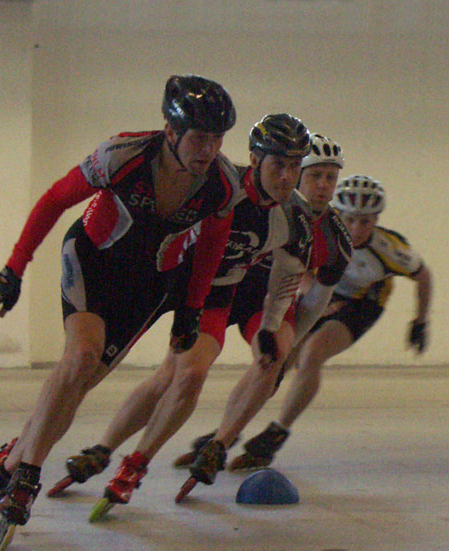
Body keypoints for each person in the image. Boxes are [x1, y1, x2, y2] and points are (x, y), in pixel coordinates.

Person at [0, 74, 239, 551]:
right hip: (93, 260)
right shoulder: (123, 156)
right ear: (170, 130)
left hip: (150, 286)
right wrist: (13, 269)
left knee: (77, 386)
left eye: (218, 138)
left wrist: (192, 310)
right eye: (200, 137)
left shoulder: (221, 183)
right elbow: (56, 198)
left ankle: (6, 464)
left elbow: (212, 248)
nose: (209, 149)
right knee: (79, 360)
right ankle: (27, 474)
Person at [48, 126, 351, 510]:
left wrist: (284, 350)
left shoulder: (326, 234)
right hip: (198, 284)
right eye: (314, 175)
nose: (320, 186)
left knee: (266, 359)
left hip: (254, 297)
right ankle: (102, 447)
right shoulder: (230, 187)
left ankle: (216, 444)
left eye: (330, 177)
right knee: (170, 375)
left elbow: (310, 301)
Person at [225, 174, 433, 471]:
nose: (357, 229)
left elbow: (423, 276)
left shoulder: (389, 247)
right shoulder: (324, 231)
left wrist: (420, 321)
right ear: (339, 215)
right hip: (323, 289)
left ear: (377, 220)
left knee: (311, 354)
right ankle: (228, 429)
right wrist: (319, 297)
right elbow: (302, 267)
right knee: (277, 358)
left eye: (366, 221)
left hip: (362, 303)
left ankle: (277, 432)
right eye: (350, 220)